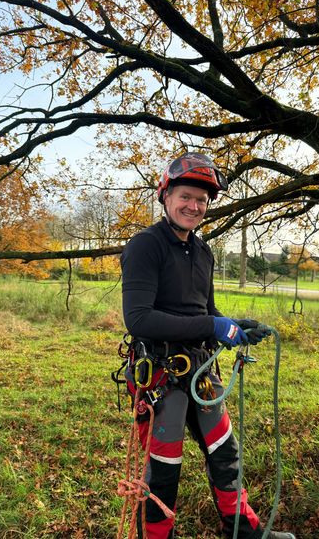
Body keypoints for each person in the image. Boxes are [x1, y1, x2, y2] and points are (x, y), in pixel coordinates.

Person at [121, 152, 295, 539]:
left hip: (201, 374)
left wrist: (233, 326)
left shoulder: (203, 252)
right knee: (165, 467)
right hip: (162, 376)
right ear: (165, 196)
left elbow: (206, 310)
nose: (194, 206)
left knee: (225, 453)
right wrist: (212, 325)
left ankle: (242, 530)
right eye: (185, 196)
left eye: (201, 200)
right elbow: (139, 318)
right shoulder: (145, 245)